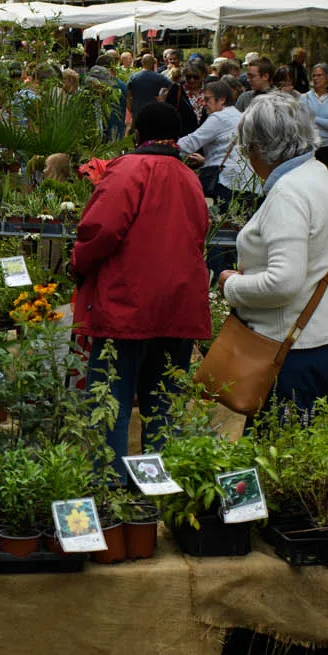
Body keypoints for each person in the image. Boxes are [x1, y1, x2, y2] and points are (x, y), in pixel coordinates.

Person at [70, 101, 212, 460]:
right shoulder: (189, 178)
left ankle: (112, 489)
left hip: (126, 307)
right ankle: (159, 491)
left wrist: (77, 264)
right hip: (178, 307)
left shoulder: (129, 170)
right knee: (163, 406)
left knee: (110, 401)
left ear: (138, 133)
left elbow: (100, 230)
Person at [220, 92, 328, 418]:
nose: (247, 157)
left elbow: (284, 282)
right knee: (301, 456)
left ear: (260, 147)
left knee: (273, 460)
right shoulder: (320, 176)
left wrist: (230, 285)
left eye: (247, 148)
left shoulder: (289, 192)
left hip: (297, 349)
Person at [176, 78, 247, 201]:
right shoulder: (238, 115)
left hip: (226, 183)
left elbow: (190, 143)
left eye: (207, 99)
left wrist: (163, 145)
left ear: (222, 99)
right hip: (244, 183)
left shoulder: (219, 117)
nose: (204, 104)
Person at [302, 62, 328, 166]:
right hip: (309, 147)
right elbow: (303, 122)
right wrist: (327, 123)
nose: (315, 78)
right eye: (314, 75)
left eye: (319, 75)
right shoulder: (304, 98)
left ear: (327, 77)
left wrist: (314, 118)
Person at [127, 50, 171, 123]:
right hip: (154, 110)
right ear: (153, 64)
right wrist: (163, 97)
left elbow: (128, 95)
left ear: (142, 63)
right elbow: (173, 86)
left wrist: (131, 109)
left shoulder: (133, 77)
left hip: (138, 110)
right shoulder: (159, 77)